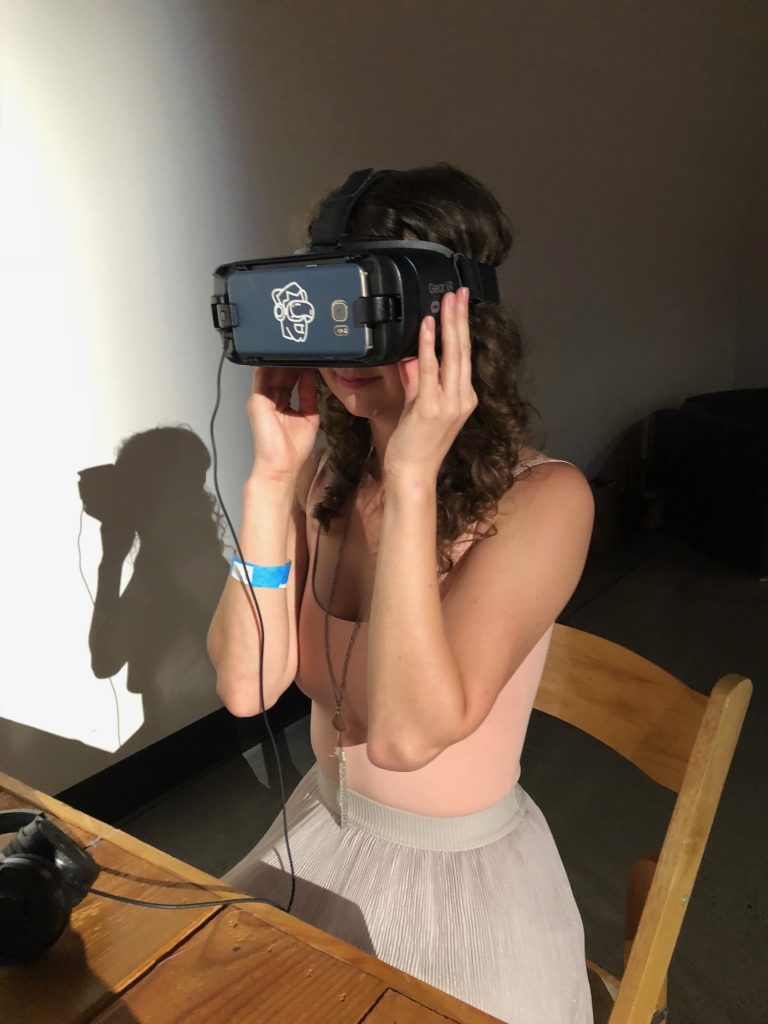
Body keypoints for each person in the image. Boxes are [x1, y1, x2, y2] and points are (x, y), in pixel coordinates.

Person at [207, 164, 595, 1023]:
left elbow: (406, 738)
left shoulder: (544, 500)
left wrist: (414, 479)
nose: (346, 348)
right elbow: (247, 687)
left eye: (373, 308)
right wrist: (270, 481)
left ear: (457, 322)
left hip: (459, 885)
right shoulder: (330, 475)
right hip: (323, 831)